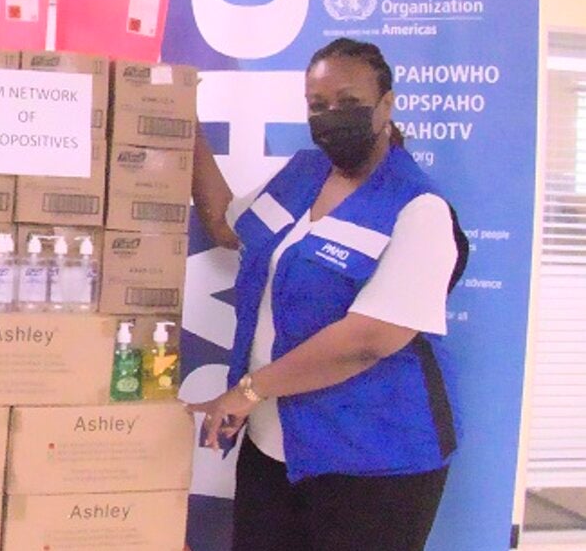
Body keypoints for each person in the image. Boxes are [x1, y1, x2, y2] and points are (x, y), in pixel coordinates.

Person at [188, 38, 469, 551]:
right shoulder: (301, 173)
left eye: (348, 101)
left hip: (372, 458)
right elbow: (226, 225)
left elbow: (369, 339)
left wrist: (249, 391)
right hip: (274, 445)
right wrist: (185, 123)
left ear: (386, 103)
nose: (331, 115)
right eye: (318, 105)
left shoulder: (417, 208)